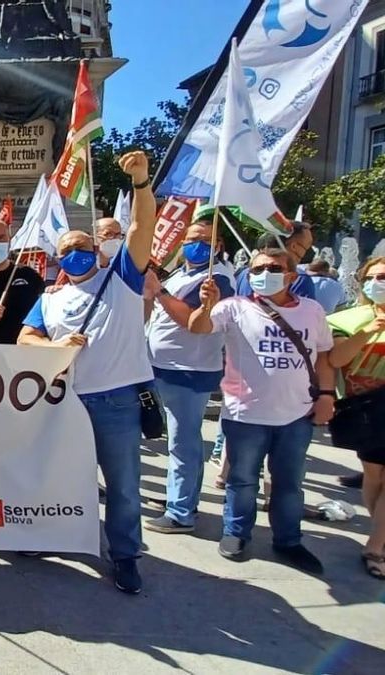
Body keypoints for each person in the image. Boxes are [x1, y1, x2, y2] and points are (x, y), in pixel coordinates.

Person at [19, 151, 157, 594]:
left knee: (122, 488)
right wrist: (53, 345)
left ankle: (125, 556)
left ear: (97, 251)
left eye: (82, 248)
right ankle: (50, 537)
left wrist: (140, 183)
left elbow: (140, 230)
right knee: (58, 478)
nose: (74, 255)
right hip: (65, 402)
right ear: (56, 259)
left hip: (116, 401)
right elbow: (26, 340)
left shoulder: (121, 280)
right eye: (66, 251)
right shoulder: (50, 298)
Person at [188, 249, 336, 574]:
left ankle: (288, 541)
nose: (264, 272)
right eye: (257, 268)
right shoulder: (234, 307)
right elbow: (198, 328)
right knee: (242, 481)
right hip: (245, 415)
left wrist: (326, 394)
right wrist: (205, 304)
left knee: (290, 483)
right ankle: (236, 533)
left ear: (291, 276)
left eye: (273, 267)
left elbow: (324, 356)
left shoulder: (312, 311)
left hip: (296, 415)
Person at [142, 215, 236, 534]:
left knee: (183, 443)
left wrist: (159, 292)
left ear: (217, 247)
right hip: (165, 367)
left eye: (204, 241)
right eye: (191, 240)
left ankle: (181, 512)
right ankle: (178, 496)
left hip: (187, 371)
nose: (195, 245)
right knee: (178, 440)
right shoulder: (185, 273)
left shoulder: (216, 279)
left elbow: (191, 322)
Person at [326, 256, 385, 578]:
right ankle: (379, 534)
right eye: (373, 277)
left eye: (384, 276)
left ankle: (376, 546)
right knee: (374, 476)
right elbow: (336, 358)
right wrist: (367, 332)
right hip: (367, 412)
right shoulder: (349, 319)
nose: (379, 282)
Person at [234, 224, 317, 300]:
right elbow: (305, 314)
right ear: (294, 246)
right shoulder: (299, 278)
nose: (309, 251)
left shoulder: (244, 274)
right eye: (307, 247)